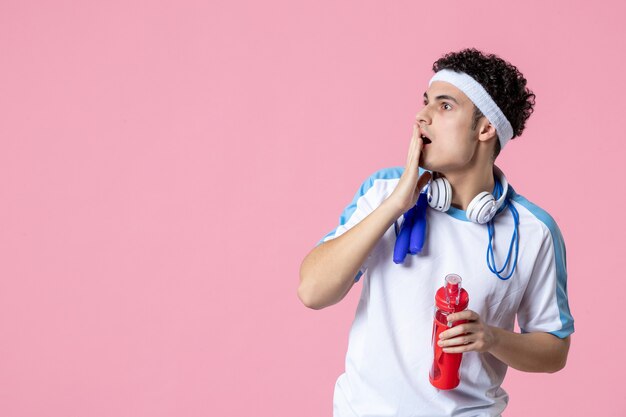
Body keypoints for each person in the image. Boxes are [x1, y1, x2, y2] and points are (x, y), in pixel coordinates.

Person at [298, 48, 574, 417]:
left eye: (444, 106)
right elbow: (312, 292)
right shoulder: (383, 192)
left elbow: (554, 351)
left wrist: (491, 338)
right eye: (426, 102)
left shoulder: (535, 232)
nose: (421, 116)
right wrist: (397, 204)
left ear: (485, 128)